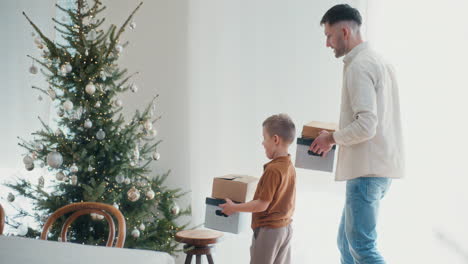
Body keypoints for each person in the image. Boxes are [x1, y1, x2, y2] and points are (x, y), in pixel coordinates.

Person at [310, 4, 405, 264]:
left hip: (366, 173)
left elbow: (366, 125)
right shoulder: (379, 61)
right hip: (379, 169)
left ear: (344, 31)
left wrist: (330, 139)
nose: (328, 43)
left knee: (362, 247)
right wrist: (335, 135)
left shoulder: (359, 66)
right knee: (346, 243)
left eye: (329, 36)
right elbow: (375, 121)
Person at [220, 113, 296, 264]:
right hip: (285, 228)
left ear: (275, 139)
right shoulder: (288, 166)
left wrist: (234, 207)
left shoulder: (273, 170)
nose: (262, 143)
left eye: (264, 138)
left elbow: (262, 204)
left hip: (270, 231)